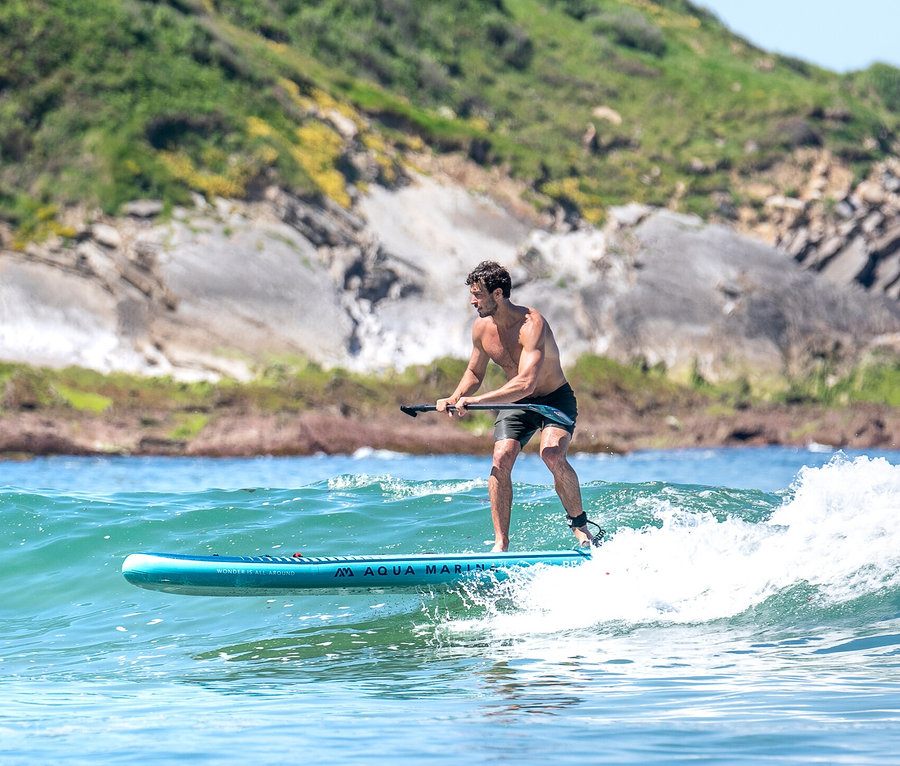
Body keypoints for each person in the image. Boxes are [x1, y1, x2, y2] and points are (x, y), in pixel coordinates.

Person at [437, 260, 599, 552]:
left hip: (553, 398)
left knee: (551, 455)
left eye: (478, 294)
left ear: (498, 294)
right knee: (501, 458)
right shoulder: (481, 329)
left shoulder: (532, 324)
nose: (473, 301)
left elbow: (527, 383)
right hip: (517, 404)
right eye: (472, 294)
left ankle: (581, 528)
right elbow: (474, 373)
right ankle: (501, 544)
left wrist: (475, 400)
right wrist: (455, 396)